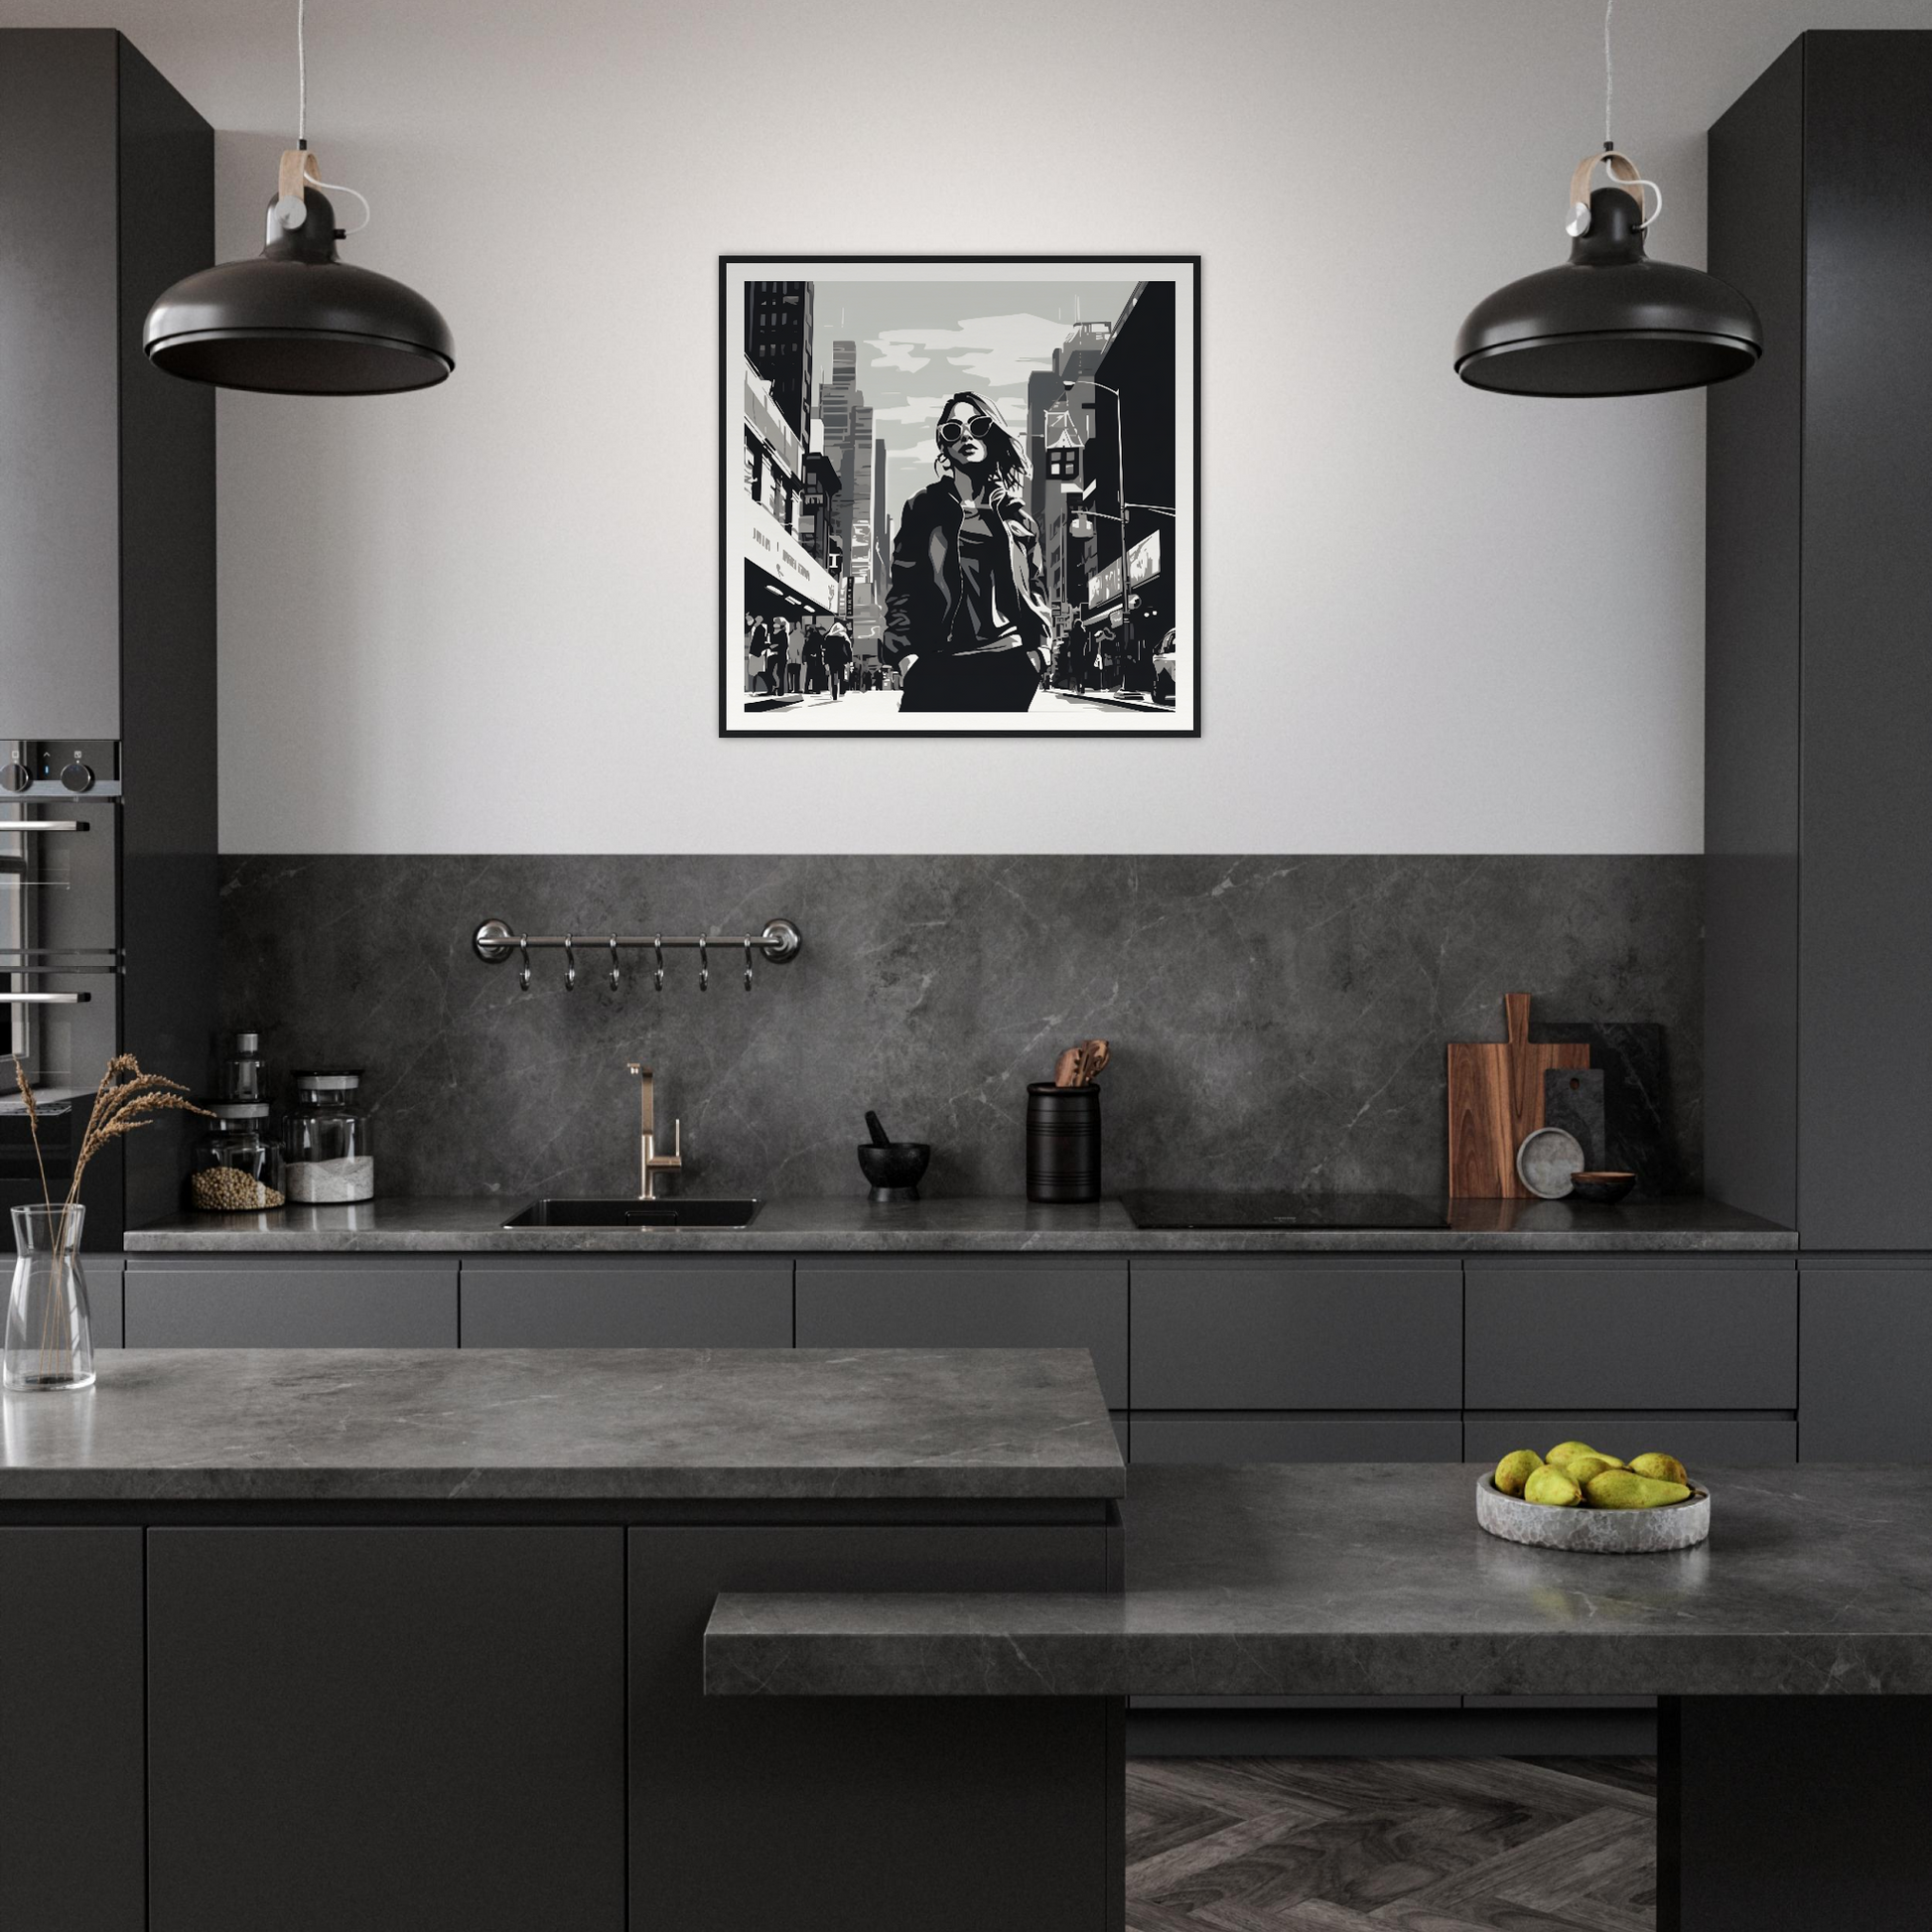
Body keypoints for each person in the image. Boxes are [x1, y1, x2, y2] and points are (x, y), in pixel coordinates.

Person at [882, 391, 1050, 714]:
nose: (966, 436)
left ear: (993, 434)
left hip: (1008, 664)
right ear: (943, 446)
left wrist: (1040, 653)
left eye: (978, 425)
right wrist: (906, 657)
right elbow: (903, 587)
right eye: (953, 430)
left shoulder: (1017, 518)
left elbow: (1036, 590)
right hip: (937, 666)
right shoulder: (923, 509)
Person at [825, 623, 853, 700]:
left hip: (831, 660)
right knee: (841, 676)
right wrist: (849, 660)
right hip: (841, 659)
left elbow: (826, 651)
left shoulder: (828, 637)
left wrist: (826, 661)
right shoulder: (843, 636)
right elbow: (848, 649)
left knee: (833, 676)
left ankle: (834, 694)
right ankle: (842, 691)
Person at [748, 616, 770, 695]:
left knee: (756, 672)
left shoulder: (760, 629)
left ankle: (755, 690)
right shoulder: (755, 628)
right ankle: (754, 690)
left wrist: (766, 646)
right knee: (755, 672)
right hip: (755, 653)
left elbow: (759, 641)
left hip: (757, 653)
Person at [784, 618, 804, 695]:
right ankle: (796, 688)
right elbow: (801, 647)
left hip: (790, 657)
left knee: (790, 674)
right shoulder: (800, 635)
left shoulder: (790, 634)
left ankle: (790, 688)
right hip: (797, 658)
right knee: (797, 674)